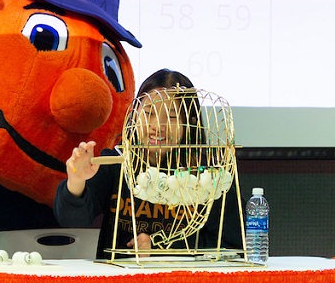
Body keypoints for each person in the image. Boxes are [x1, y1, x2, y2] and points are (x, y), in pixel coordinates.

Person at [53, 68, 243, 258]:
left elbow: (235, 242)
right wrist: (76, 181)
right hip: (121, 279)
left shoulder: (209, 174)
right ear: (134, 115)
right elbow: (71, 220)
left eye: (172, 116)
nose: (158, 125)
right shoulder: (115, 163)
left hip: (188, 281)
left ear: (190, 121)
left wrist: (159, 247)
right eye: (149, 112)